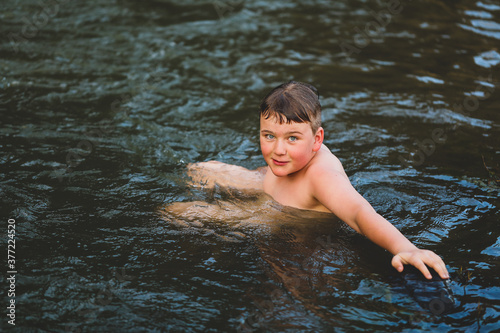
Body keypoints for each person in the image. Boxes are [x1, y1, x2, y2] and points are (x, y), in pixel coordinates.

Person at [173, 80, 449, 280]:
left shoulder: (322, 176)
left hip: (282, 219)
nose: (278, 149)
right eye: (269, 136)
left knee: (177, 213)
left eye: (292, 138)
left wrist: (406, 249)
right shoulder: (287, 159)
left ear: (317, 140)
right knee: (199, 169)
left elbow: (359, 213)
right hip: (268, 187)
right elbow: (276, 160)